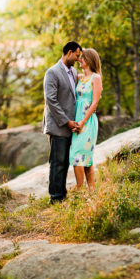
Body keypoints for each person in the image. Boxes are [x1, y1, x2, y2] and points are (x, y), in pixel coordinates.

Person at [43, 41, 81, 203]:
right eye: (77, 56)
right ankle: (55, 197)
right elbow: (51, 100)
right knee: (57, 162)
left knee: (65, 162)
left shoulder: (74, 72)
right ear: (69, 52)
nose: (78, 59)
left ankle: (62, 194)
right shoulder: (52, 72)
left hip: (71, 126)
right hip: (59, 125)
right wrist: (66, 122)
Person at [70, 47, 102, 194]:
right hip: (77, 120)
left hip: (87, 121)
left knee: (77, 154)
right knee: (85, 156)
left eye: (82, 57)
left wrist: (82, 122)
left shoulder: (96, 78)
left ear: (89, 60)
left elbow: (94, 103)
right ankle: (91, 191)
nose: (79, 60)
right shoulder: (79, 77)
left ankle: (79, 190)